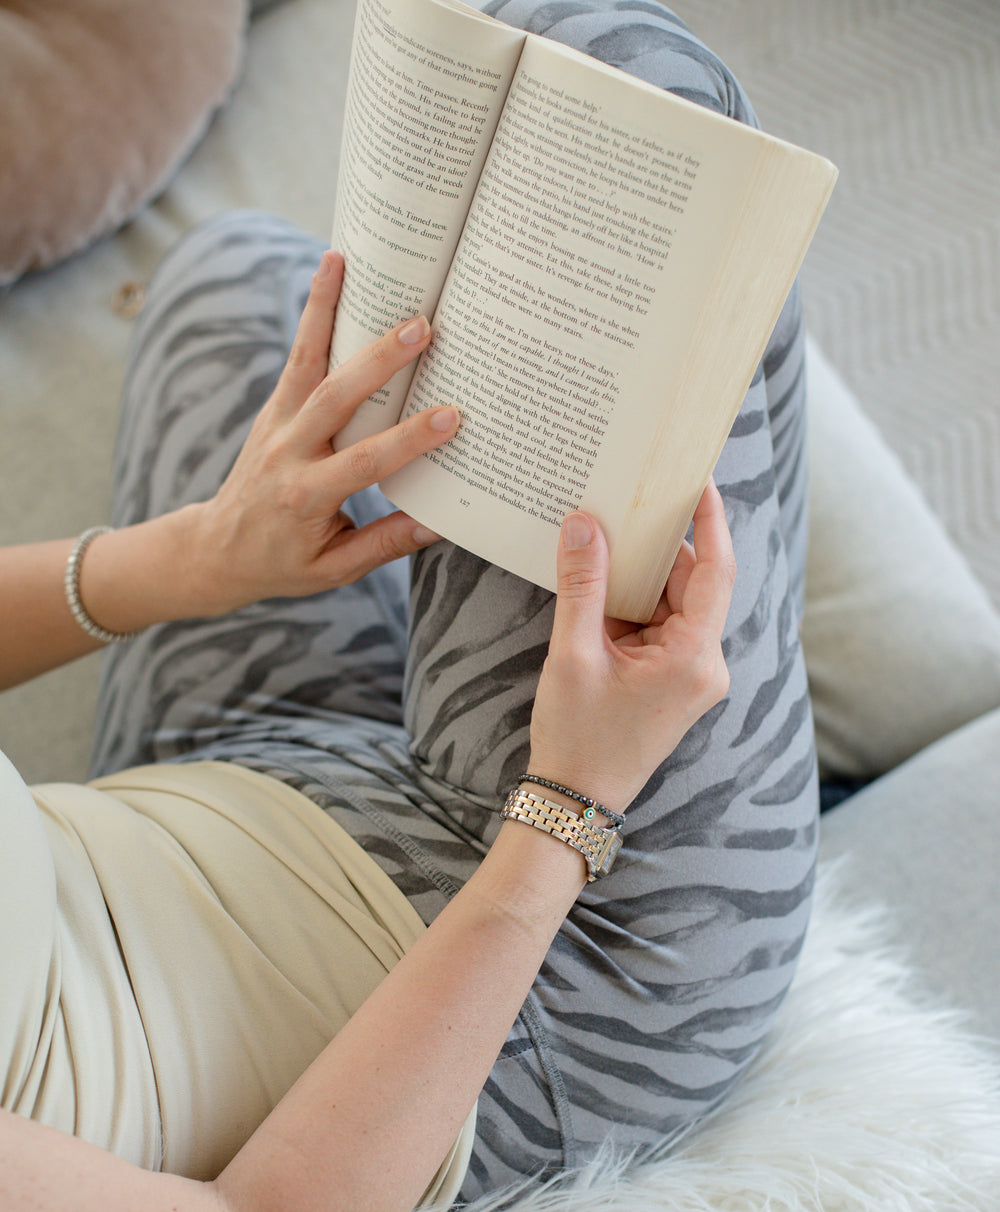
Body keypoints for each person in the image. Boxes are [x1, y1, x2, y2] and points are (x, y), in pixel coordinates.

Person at [0, 2, 818, 1209]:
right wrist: (567, 809)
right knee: (623, 84)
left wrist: (201, 558)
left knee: (241, 279)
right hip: (512, 980)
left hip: (198, 792)